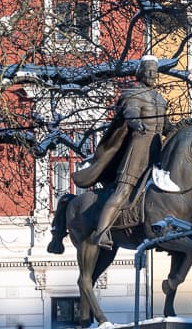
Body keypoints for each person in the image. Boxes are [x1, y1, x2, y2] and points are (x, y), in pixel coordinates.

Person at [73, 55, 173, 248]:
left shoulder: (160, 99)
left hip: (156, 151)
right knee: (123, 189)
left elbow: (165, 125)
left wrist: (179, 128)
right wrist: (136, 122)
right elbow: (130, 111)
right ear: (141, 73)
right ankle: (101, 232)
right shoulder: (134, 93)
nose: (152, 75)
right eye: (148, 71)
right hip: (137, 151)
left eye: (155, 71)